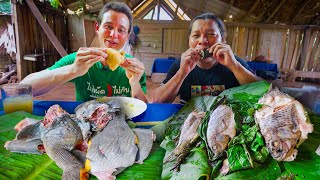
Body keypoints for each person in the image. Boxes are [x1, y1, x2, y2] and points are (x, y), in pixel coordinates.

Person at [20, 2, 148, 103]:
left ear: (127, 36)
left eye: (121, 30)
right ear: (97, 28)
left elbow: (142, 108)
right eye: (108, 26)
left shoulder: (133, 67)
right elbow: (24, 89)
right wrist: (73, 70)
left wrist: (135, 83)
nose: (114, 34)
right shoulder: (80, 60)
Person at [153, 13, 261, 104]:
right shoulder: (181, 65)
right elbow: (157, 101)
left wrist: (234, 66)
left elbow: (263, 93)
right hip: (190, 122)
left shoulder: (235, 62)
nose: (202, 41)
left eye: (211, 34)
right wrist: (181, 73)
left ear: (223, 40)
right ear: (189, 40)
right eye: (196, 35)